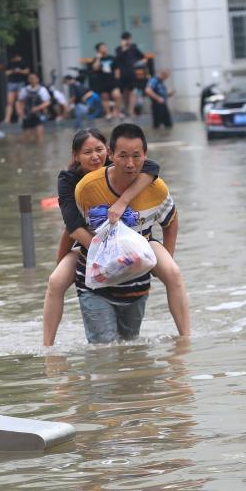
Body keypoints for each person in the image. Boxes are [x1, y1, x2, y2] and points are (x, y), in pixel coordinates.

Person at [41, 126, 190, 345]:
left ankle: (186, 340)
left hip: (138, 240)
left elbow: (151, 168)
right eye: (87, 152)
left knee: (173, 272)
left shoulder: (128, 167)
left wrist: (123, 202)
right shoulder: (74, 183)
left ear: (107, 151)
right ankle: (48, 347)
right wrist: (106, 250)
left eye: (98, 150)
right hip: (90, 243)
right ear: (76, 156)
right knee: (55, 281)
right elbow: (71, 228)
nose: (95, 157)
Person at [114, 32, 145, 117]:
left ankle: (131, 110)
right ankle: (126, 109)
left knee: (133, 91)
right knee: (124, 92)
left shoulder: (134, 48)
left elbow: (143, 58)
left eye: (129, 39)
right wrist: (124, 48)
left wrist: (138, 64)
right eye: (125, 39)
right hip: (123, 74)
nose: (127, 41)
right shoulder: (118, 49)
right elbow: (117, 60)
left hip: (132, 74)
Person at [17, 72, 51, 144]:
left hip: (39, 115)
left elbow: (47, 102)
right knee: (27, 136)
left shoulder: (42, 90)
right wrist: (20, 112)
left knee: (40, 134)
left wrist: (37, 108)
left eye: (34, 78)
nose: (32, 80)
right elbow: (20, 102)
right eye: (30, 78)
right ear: (28, 80)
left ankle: (40, 150)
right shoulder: (24, 90)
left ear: (37, 79)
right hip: (27, 115)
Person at [91, 42, 122, 120]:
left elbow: (117, 69)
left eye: (105, 46)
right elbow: (95, 68)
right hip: (102, 81)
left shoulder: (112, 58)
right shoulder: (96, 59)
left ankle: (117, 112)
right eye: (102, 47)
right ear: (98, 50)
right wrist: (98, 58)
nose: (104, 48)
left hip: (112, 80)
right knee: (105, 97)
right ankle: (108, 113)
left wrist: (117, 79)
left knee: (117, 95)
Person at [4, 53, 30, 125]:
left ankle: (20, 117)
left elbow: (27, 71)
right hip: (11, 83)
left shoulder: (23, 62)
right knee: (10, 102)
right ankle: (7, 119)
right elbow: (6, 72)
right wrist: (13, 71)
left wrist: (19, 71)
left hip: (20, 82)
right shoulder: (10, 63)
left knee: (20, 101)